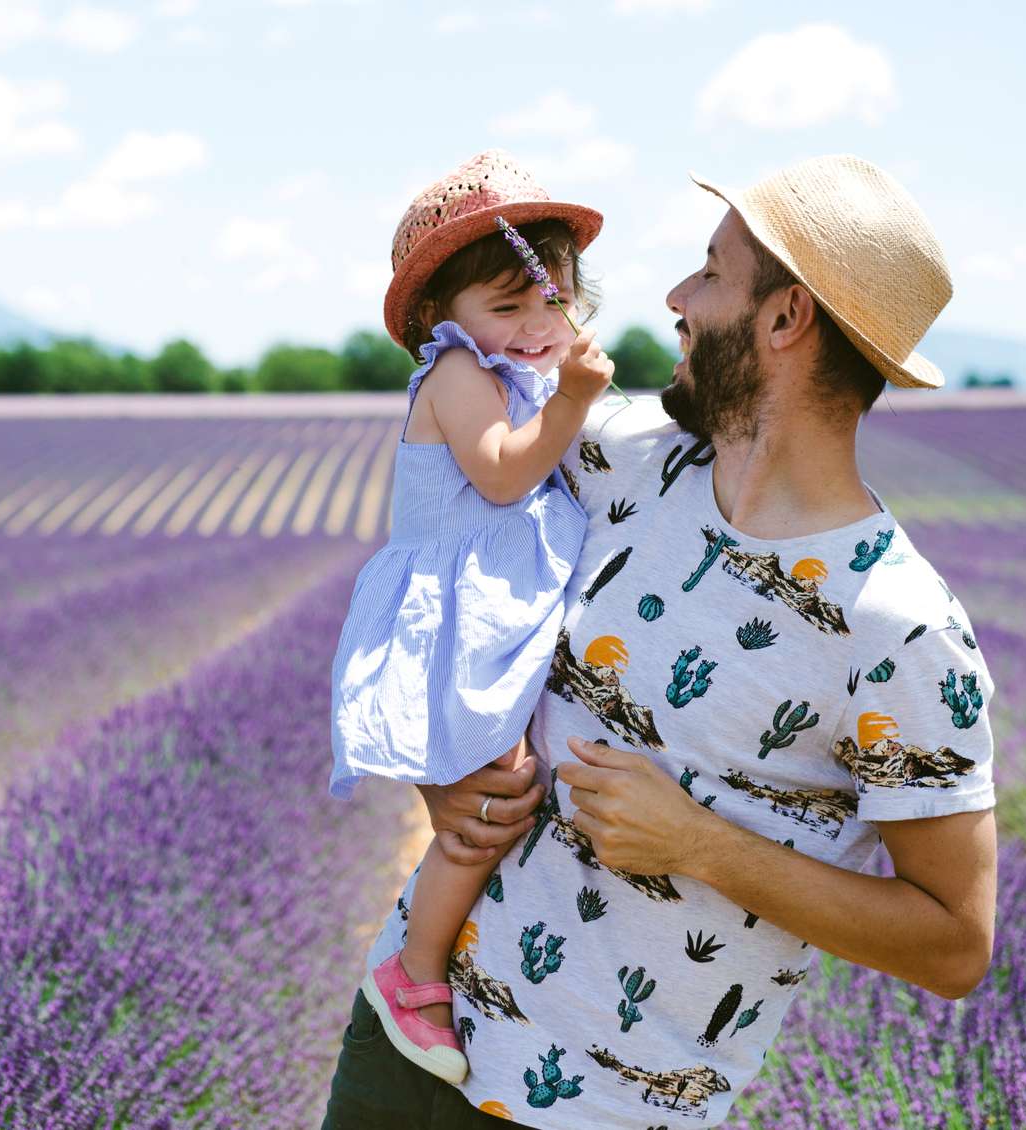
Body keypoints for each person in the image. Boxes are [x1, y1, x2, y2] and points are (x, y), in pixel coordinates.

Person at [321, 154, 1000, 1129]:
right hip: (410, 1034)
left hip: (597, 1108)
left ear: (784, 318)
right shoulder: (612, 453)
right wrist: (445, 770)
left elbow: (954, 946)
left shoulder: (903, 631)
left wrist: (701, 844)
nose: (675, 296)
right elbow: (444, 562)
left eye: (711, 272)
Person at [327, 149, 619, 1087]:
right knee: (495, 795)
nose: (537, 325)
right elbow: (500, 475)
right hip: (458, 621)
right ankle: (413, 976)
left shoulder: (506, 369)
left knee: (509, 791)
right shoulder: (458, 371)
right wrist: (574, 399)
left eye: (554, 300)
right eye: (507, 306)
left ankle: (456, 960)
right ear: (439, 316)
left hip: (494, 612)